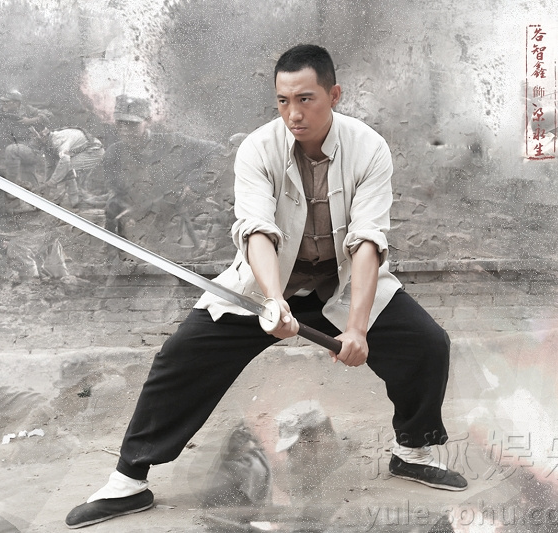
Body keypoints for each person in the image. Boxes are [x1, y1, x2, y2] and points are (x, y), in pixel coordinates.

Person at [65, 44, 466, 529]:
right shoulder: (258, 148)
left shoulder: (368, 148)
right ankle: (129, 479)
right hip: (265, 285)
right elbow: (257, 231)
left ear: (334, 95)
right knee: (180, 357)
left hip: (341, 284)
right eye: (282, 100)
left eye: (305, 99)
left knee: (426, 344)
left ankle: (413, 450)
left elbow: (366, 240)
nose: (293, 113)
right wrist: (274, 302)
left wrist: (358, 328)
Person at [103, 94, 223, 258]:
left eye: (132, 124)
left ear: (148, 121)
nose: (125, 129)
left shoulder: (172, 142)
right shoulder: (114, 153)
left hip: (175, 224)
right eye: (120, 123)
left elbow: (218, 152)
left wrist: (194, 185)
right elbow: (115, 195)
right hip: (135, 229)